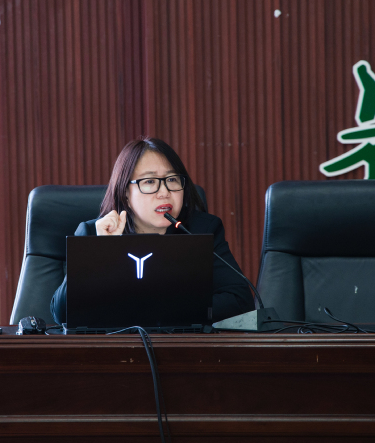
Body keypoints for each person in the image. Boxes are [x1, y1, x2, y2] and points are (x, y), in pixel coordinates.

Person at [50, 137, 255, 324]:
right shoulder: (93, 233)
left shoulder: (202, 230)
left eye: (172, 180)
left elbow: (240, 300)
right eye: (149, 182)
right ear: (125, 192)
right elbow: (61, 314)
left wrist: (158, 310)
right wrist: (98, 251)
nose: (164, 192)